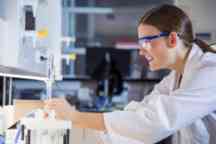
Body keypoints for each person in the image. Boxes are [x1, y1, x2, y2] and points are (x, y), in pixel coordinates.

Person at [45, 4, 216, 144]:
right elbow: (142, 110)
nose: (141, 51)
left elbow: (154, 122)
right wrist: (104, 138)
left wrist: (75, 116)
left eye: (147, 41)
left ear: (172, 39)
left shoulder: (209, 73)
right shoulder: (175, 77)